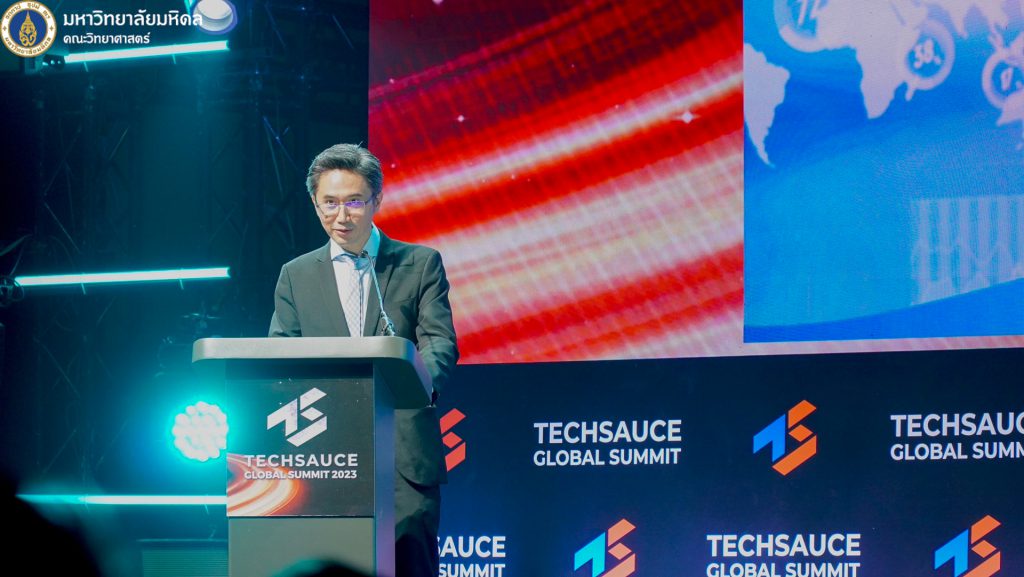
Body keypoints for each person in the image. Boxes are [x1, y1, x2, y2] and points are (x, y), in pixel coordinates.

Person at [269, 143, 459, 576]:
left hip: (404, 452)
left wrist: (416, 386)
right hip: (323, 454)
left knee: (410, 564)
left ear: (376, 200)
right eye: (329, 202)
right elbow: (281, 356)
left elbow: (439, 342)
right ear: (314, 203)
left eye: (354, 201)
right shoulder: (296, 275)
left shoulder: (419, 263)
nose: (342, 215)